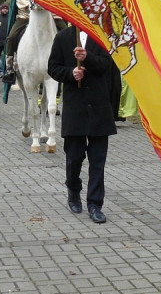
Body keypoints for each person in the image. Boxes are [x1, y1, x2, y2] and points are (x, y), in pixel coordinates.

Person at [48, 24, 121, 224]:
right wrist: (71, 73)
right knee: (74, 157)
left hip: (99, 108)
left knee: (98, 161)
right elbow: (53, 68)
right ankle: (73, 189)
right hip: (75, 109)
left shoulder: (102, 36)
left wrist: (87, 57)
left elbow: (107, 65)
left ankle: (95, 204)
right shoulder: (63, 37)